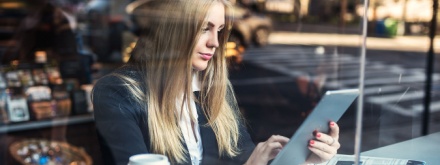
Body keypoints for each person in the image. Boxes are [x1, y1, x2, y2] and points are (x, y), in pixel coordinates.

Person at [92, 0, 341, 165]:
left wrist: (309, 160)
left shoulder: (214, 88)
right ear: (174, 31)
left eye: (219, 30)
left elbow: (242, 155)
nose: (216, 43)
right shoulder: (118, 93)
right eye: (204, 29)